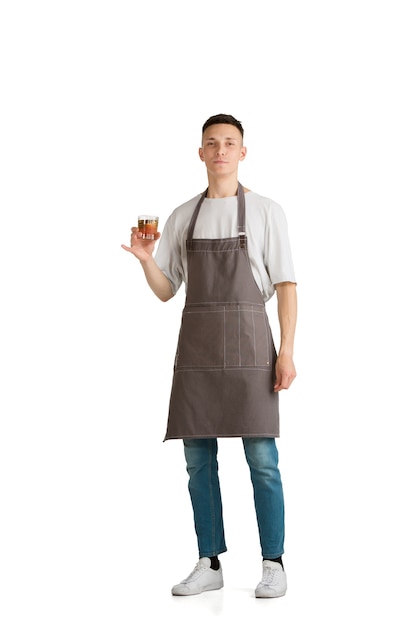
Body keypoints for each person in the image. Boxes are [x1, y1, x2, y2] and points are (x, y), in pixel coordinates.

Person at [121, 114, 297, 598]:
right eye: (211, 143)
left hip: (251, 351)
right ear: (200, 153)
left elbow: (286, 286)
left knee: (262, 458)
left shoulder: (265, 211)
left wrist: (287, 352)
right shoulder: (183, 215)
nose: (220, 150)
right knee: (198, 460)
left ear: (243, 152)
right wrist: (146, 262)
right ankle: (210, 560)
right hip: (197, 352)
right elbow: (166, 291)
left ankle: (274, 562)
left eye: (230, 143)